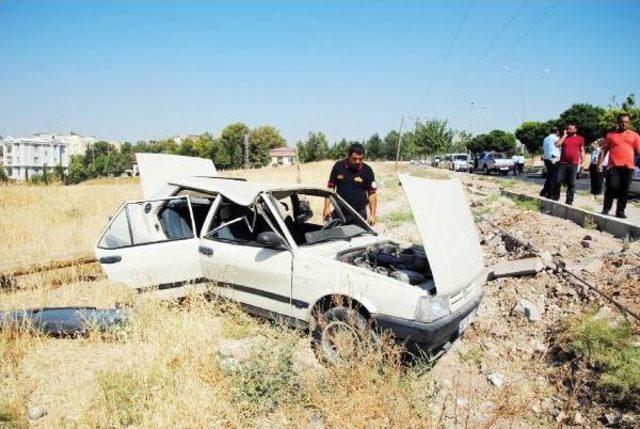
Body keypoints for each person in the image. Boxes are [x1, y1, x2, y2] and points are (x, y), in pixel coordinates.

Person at [323, 143, 377, 225]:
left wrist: (372, 214)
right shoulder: (338, 166)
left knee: (358, 237)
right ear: (348, 155)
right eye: (354, 159)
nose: (358, 161)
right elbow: (330, 188)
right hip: (339, 212)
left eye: (360, 159)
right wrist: (326, 208)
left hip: (359, 214)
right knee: (337, 236)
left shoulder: (367, 170)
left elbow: (372, 193)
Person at [598, 113, 640, 218]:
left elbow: (639, 151)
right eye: (622, 122)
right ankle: (606, 208)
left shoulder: (635, 135)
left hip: (629, 167)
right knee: (612, 186)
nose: (624, 124)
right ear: (618, 122)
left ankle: (620, 211)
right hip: (614, 166)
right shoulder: (610, 135)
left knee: (624, 190)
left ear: (629, 123)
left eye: (626, 122)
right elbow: (605, 150)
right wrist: (599, 163)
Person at [555, 124, 585, 205]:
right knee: (557, 180)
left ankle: (569, 201)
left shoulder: (580, 138)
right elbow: (557, 145)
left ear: (575, 130)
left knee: (571, 183)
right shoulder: (564, 137)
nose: (569, 130)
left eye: (571, 129)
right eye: (568, 129)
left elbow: (582, 150)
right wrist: (564, 136)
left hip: (574, 164)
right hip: (563, 163)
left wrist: (583, 161)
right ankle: (556, 197)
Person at [540, 127, 561, 199]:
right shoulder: (556, 138)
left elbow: (544, 148)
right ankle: (550, 193)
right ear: (557, 132)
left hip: (547, 158)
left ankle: (544, 191)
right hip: (554, 159)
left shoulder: (545, 138)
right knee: (553, 177)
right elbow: (559, 146)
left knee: (549, 175)